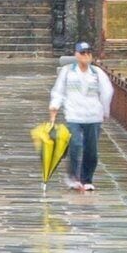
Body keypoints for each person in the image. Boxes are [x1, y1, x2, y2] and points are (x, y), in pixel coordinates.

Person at [49, 41, 114, 192]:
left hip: (93, 115)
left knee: (91, 150)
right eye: (82, 53)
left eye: (88, 53)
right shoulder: (67, 72)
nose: (86, 56)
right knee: (76, 144)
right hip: (74, 115)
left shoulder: (97, 73)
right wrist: (54, 107)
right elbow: (58, 91)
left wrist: (105, 111)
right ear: (76, 55)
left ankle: (87, 179)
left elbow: (107, 92)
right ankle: (73, 177)